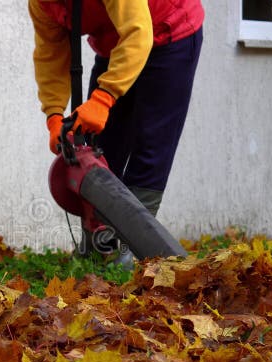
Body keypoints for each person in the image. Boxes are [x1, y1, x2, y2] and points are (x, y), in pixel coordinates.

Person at [29, 0, 204, 259]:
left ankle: (130, 253)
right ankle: (99, 249)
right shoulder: (42, 4)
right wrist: (54, 115)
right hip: (117, 46)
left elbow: (138, 32)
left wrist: (103, 99)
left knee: (150, 151)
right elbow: (50, 53)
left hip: (169, 33)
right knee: (100, 151)